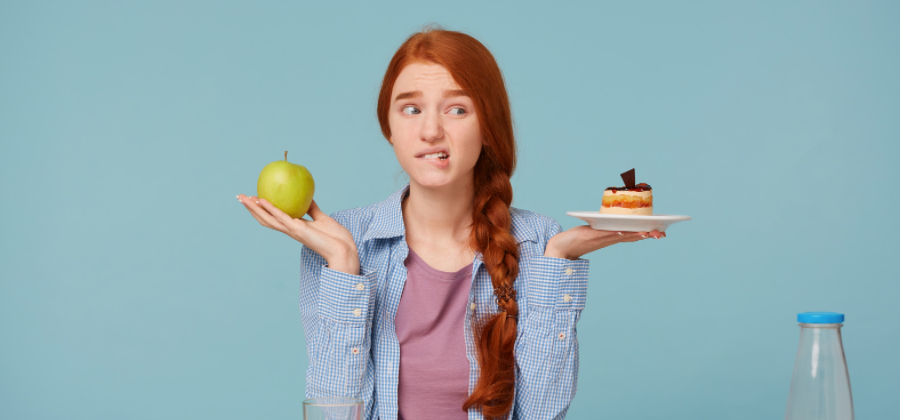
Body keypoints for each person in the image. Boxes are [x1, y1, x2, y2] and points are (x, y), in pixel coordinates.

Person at [238, 27, 664, 420]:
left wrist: (558, 259)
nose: (430, 130)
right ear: (389, 127)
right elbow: (332, 414)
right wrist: (344, 265)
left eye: (457, 109)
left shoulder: (536, 242)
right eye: (410, 108)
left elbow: (540, 413)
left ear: (487, 126)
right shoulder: (343, 243)